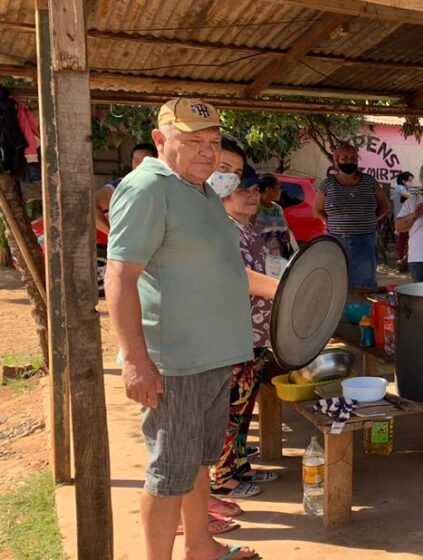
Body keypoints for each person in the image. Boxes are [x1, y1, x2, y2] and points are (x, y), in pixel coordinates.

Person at [105, 98, 261, 560]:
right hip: (174, 361)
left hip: (213, 356)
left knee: (197, 461)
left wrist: (303, 293)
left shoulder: (201, 191)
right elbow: (119, 276)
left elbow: (227, 272)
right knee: (168, 472)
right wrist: (135, 358)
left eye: (212, 142)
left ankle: (200, 547)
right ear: (159, 140)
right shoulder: (147, 188)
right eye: (191, 141)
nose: (206, 152)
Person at [206, 136, 281, 501]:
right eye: (243, 189)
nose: (252, 196)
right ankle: (223, 477)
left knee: (244, 404)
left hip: (253, 335)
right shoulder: (222, 229)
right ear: (225, 193)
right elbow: (240, 278)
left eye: (255, 190)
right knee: (230, 406)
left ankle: (239, 464)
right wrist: (286, 290)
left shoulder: (248, 230)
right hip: (233, 334)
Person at [313, 143, 389, 289]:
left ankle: (362, 311)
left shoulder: (369, 181)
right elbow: (317, 210)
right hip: (336, 240)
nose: (349, 161)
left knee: (365, 284)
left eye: (353, 158)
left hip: (365, 241)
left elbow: (385, 206)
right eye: (345, 158)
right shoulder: (328, 184)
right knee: (336, 281)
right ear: (336, 160)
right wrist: (332, 223)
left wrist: (370, 220)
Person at [94, 142, 157, 234]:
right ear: (131, 163)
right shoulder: (121, 185)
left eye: (145, 162)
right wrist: (113, 235)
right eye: (136, 161)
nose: (140, 166)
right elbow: (91, 206)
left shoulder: (166, 185)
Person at [254, 173, 296, 274]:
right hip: (260, 256)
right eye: (278, 187)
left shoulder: (277, 208)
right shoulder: (255, 208)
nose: (280, 190)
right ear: (268, 189)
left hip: (278, 256)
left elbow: (285, 228)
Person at [390, 171, 415, 271]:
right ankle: (401, 258)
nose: (411, 183)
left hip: (405, 217)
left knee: (404, 238)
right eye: (409, 181)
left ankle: (403, 258)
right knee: (405, 238)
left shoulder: (405, 188)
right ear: (403, 180)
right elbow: (408, 196)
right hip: (402, 218)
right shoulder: (400, 188)